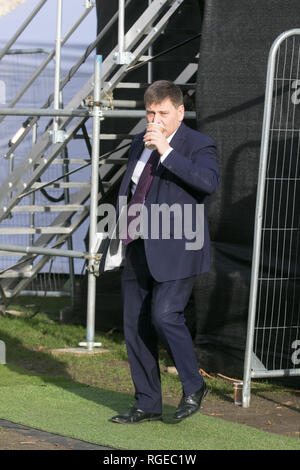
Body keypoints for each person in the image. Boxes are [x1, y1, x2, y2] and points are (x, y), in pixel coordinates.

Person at [99, 80, 219, 423]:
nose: (155, 120)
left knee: (165, 314)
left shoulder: (199, 144)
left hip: (179, 246)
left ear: (179, 112)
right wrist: (118, 237)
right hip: (137, 244)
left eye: (162, 113)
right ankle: (147, 403)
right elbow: (132, 190)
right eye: (150, 113)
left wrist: (166, 150)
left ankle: (193, 385)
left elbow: (207, 183)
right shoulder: (139, 141)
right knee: (135, 326)